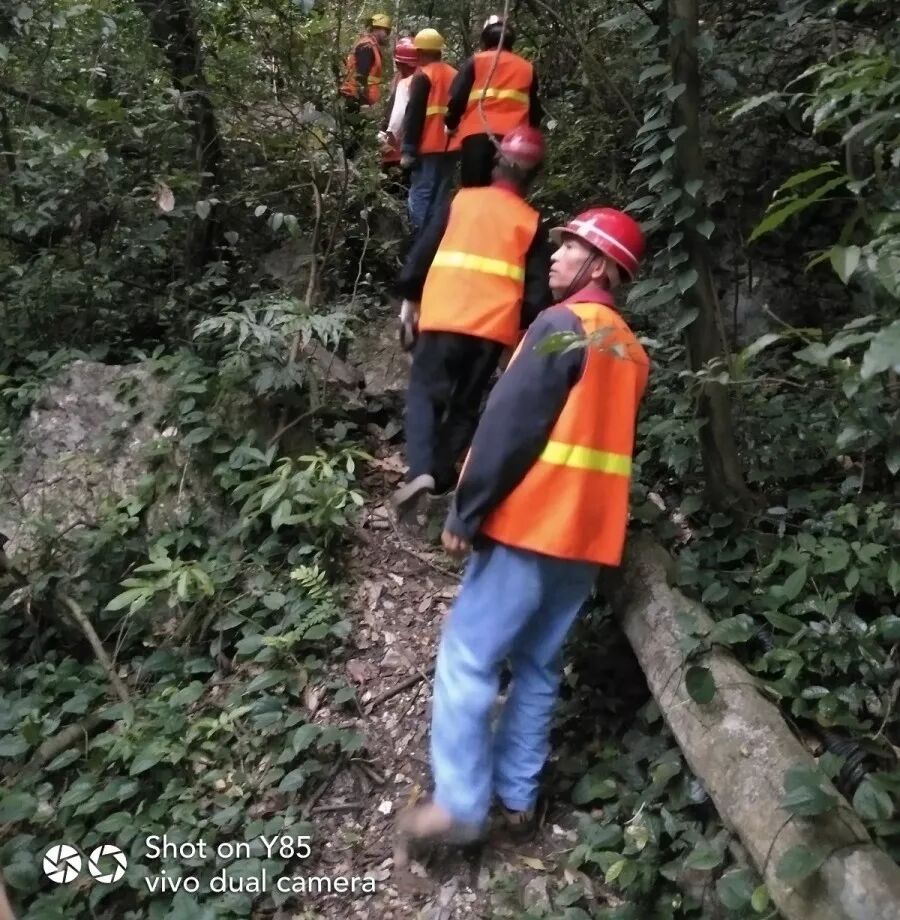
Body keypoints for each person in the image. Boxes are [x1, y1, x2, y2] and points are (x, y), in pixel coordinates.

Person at [393, 206, 650, 859]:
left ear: (600, 266)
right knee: (537, 666)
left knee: (468, 657)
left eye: (571, 248)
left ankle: (459, 806)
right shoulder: (629, 349)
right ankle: (516, 798)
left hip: (532, 528)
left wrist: (467, 511)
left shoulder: (562, 327)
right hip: (587, 541)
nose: (555, 256)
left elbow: (509, 426)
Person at [391, 125, 552, 514]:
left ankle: (420, 471)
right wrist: (515, 329)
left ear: (497, 164)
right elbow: (536, 296)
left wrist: (410, 298)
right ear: (533, 175)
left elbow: (423, 253)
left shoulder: (461, 202)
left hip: (445, 316)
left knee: (425, 393)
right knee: (465, 403)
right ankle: (442, 475)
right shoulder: (532, 223)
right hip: (491, 331)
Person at [445, 14, 542, 188]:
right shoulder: (527, 68)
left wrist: (451, 124)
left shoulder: (475, 62)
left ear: (484, 40)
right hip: (513, 143)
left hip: (477, 136)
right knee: (506, 193)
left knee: (474, 192)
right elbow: (535, 111)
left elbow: (457, 99)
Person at [400, 29, 460, 234]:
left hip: (427, 146)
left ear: (419, 52)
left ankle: (420, 236)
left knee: (421, 193)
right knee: (441, 194)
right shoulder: (455, 74)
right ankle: (436, 237)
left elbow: (414, 115)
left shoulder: (423, 77)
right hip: (450, 145)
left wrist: (408, 149)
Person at [379, 37, 419, 171]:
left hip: (402, 145)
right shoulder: (427, 75)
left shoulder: (406, 82)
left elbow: (397, 115)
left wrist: (388, 136)